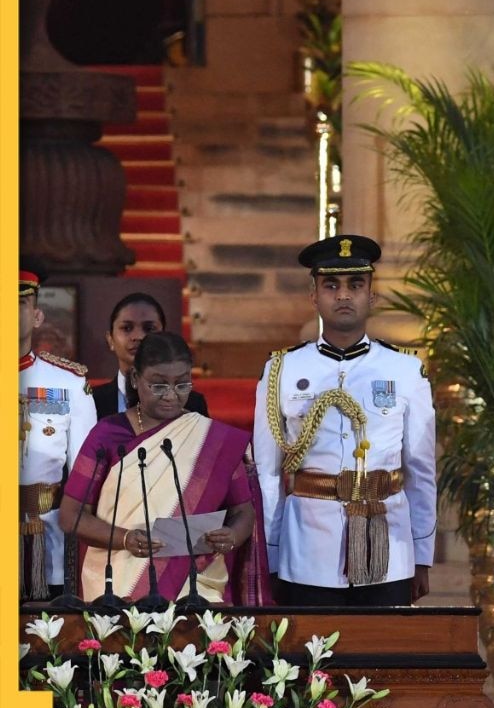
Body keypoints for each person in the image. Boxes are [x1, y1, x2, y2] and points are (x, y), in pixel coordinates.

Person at [253, 234, 436, 607]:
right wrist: (270, 554)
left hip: (388, 546)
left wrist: (420, 555)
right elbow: (268, 474)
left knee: (381, 659)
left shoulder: (404, 370)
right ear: (314, 296)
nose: (343, 295)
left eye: (356, 284)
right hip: (307, 550)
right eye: (331, 285)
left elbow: (421, 471)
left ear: (372, 295)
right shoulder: (282, 370)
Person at [57, 331, 271, 604]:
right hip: (117, 588)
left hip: (195, 588)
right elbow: (71, 516)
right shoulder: (108, 435)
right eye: (158, 385)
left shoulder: (211, 439)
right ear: (135, 379)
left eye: (182, 385)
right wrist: (126, 539)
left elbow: (244, 512)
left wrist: (231, 536)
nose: (171, 395)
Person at [19, 259, 97, 600]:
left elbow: (85, 473)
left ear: (37, 317)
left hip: (45, 535)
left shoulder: (68, 381)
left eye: (19, 304)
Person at [93, 292, 208, 418]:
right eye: (126, 328)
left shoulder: (192, 404)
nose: (138, 337)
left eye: (149, 329)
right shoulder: (91, 402)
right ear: (110, 339)